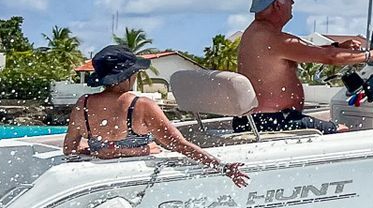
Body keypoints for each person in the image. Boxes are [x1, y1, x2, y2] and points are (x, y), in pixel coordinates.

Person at [63, 43, 248, 185]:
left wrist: (99, 151)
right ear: (129, 75)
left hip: (99, 179)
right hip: (140, 179)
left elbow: (69, 149)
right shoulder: (140, 105)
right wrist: (221, 167)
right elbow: (179, 145)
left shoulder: (84, 104)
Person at [236, 0, 373, 133]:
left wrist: (337, 46)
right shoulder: (274, 39)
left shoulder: (256, 34)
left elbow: (307, 51)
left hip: (259, 121)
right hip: (273, 121)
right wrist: (370, 55)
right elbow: (329, 57)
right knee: (342, 131)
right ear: (277, 4)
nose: (293, 3)